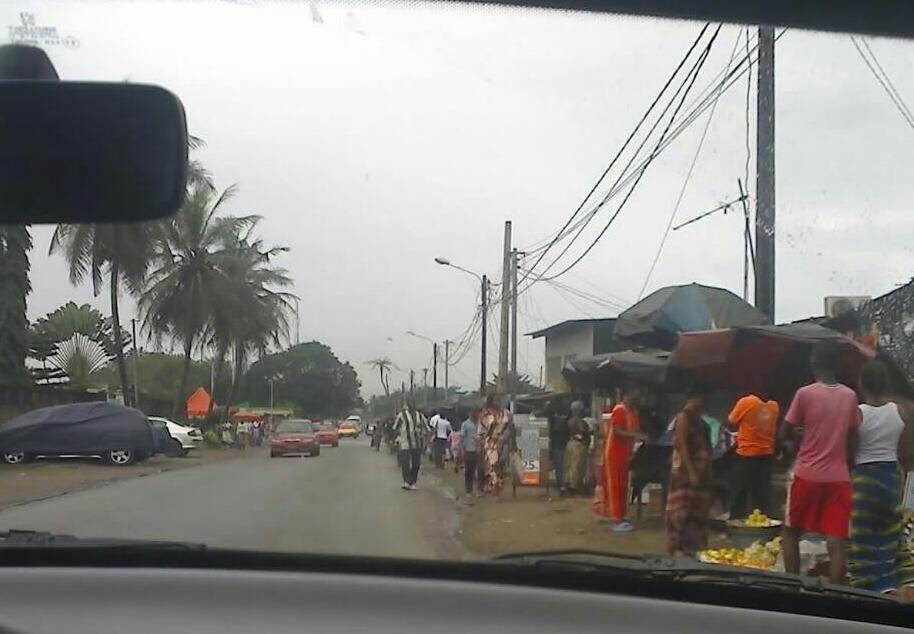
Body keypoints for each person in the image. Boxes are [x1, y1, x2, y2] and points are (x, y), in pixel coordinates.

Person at [781, 342, 861, 585]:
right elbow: (854, 437)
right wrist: (848, 464)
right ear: (838, 365)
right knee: (836, 542)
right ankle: (835, 597)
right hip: (838, 478)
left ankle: (794, 587)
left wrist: (798, 436)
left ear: (813, 363)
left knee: (790, 533)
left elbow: (784, 431)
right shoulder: (849, 396)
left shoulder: (804, 394)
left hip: (806, 475)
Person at [848, 360, 914, 592]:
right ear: (886, 385)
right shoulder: (901, 412)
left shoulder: (857, 413)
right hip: (890, 478)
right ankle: (896, 582)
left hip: (863, 480)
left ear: (862, 385)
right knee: (890, 530)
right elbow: (905, 453)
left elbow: (852, 450)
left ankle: (871, 587)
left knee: (863, 536)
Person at [666, 384, 712, 557]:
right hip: (685, 476)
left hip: (701, 475)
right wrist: (691, 471)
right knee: (681, 514)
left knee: (697, 514)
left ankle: (694, 551)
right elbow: (682, 446)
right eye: (702, 399)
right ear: (696, 398)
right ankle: (677, 550)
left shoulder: (701, 420)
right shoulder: (683, 417)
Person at [596, 385, 648, 533]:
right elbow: (618, 431)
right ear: (629, 393)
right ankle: (616, 519)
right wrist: (637, 436)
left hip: (626, 454)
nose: (639, 396)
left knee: (624, 486)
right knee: (616, 486)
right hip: (614, 454)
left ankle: (621, 515)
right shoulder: (619, 409)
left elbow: (634, 431)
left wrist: (642, 436)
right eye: (637, 393)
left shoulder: (633, 412)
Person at [727, 394, 779, 519]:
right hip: (766, 455)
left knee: (739, 493)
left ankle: (736, 524)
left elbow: (731, 420)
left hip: (746, 454)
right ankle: (759, 525)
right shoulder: (774, 406)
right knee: (761, 495)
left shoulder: (747, 401)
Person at [394, 399, 427, 490]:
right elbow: (395, 427)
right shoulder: (402, 415)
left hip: (417, 443)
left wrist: (425, 439)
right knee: (405, 462)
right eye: (410, 404)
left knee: (416, 464)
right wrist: (397, 438)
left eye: (413, 404)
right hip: (405, 442)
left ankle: (413, 481)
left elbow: (427, 428)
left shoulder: (420, 416)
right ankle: (406, 481)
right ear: (407, 405)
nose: (412, 406)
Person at [480, 395, 509, 496]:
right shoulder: (486, 415)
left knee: (501, 466)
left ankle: (497, 485)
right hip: (491, 443)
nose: (498, 402)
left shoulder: (505, 413)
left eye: (499, 400)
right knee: (492, 465)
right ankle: (494, 487)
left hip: (503, 442)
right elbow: (482, 430)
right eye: (496, 400)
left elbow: (510, 427)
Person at [564, 401, 589, 494]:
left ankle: (568, 483)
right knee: (576, 465)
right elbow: (582, 431)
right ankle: (573, 486)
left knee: (569, 465)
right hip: (578, 444)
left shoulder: (570, 420)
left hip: (570, 443)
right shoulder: (579, 420)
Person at [546, 402, 569, 495]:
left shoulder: (553, 420)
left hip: (557, 445)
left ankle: (561, 485)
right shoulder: (565, 420)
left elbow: (551, 434)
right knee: (562, 466)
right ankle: (562, 485)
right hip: (562, 445)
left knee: (559, 466)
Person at [461, 409, 481, 496]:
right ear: (469, 413)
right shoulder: (465, 424)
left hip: (480, 450)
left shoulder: (481, 424)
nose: (475, 414)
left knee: (480, 470)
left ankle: (480, 489)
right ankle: (469, 490)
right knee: (469, 471)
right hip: (468, 450)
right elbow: (462, 437)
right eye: (473, 413)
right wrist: (461, 449)